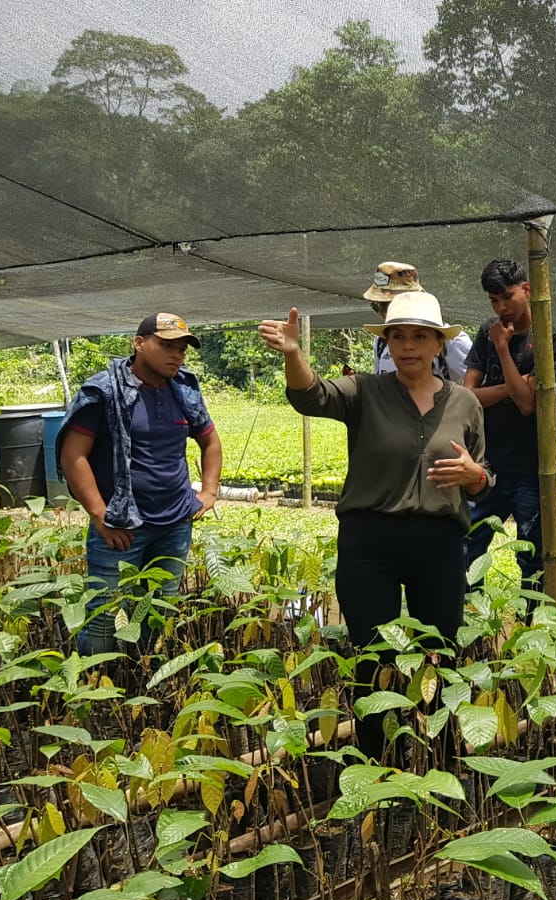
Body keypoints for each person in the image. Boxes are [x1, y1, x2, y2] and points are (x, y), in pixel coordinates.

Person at [259, 293, 491, 757]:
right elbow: (311, 395)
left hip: (439, 543)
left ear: (439, 345)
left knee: (439, 652)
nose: (408, 346)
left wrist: (475, 476)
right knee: (372, 655)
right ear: (386, 344)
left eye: (420, 337)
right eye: (397, 337)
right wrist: (293, 355)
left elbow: (482, 477)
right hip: (370, 542)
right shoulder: (364, 391)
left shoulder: (465, 403)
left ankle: (440, 758)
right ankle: (377, 761)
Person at [58, 313, 222, 656]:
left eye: (181, 349)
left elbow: (210, 441)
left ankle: (145, 675)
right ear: (139, 343)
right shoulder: (105, 391)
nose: (176, 355)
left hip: (175, 523)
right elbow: (73, 456)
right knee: (103, 616)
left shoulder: (184, 390)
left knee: (159, 611)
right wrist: (100, 516)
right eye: (166, 346)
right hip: (121, 528)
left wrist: (209, 491)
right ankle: (93, 683)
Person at [462, 258, 556, 598]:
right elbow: (467, 396)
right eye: (494, 301)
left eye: (507, 297)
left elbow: (527, 405)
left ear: (526, 289)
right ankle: (472, 618)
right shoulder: (486, 332)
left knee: (532, 557)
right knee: (467, 545)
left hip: (532, 467)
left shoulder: (550, 338)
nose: (501, 308)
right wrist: (515, 384)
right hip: (488, 464)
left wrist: (503, 350)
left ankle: (530, 621)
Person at [364, 261, 470, 381]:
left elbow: (476, 385)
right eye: (378, 306)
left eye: (388, 305)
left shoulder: (452, 341)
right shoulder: (381, 341)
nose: (384, 313)